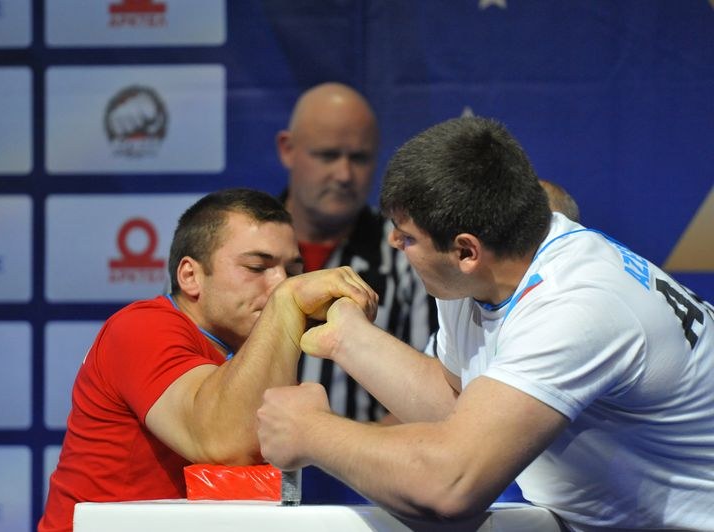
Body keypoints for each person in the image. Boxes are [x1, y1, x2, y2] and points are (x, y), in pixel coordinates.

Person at [257, 117, 714, 530]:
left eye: (408, 236)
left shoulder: (576, 305)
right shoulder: (486, 271)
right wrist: (348, 338)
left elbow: (450, 486)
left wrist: (309, 431)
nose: (394, 243)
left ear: (466, 251)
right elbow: (458, 406)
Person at [39, 188, 377, 532]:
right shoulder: (141, 327)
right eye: (257, 267)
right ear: (190, 276)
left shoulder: (260, 353)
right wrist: (286, 301)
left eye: (292, 270)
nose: (281, 283)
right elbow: (221, 442)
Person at [276, 82, 435, 422]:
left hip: (372, 454)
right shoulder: (234, 247)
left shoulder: (409, 254)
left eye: (359, 158)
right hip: (245, 455)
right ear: (287, 149)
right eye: (327, 155)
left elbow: (438, 392)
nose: (344, 174)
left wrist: (344, 447)